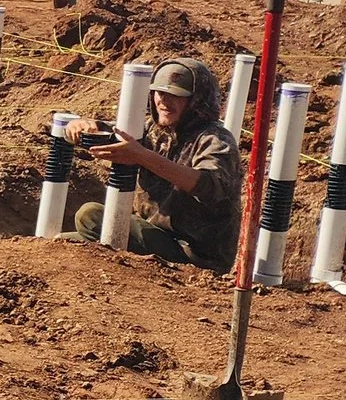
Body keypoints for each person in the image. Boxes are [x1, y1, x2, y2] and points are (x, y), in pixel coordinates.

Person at [70, 59, 244, 265]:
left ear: (197, 101)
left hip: (193, 253)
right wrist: (83, 125)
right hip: (153, 236)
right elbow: (118, 134)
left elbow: (210, 185)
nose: (164, 101)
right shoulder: (154, 130)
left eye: (175, 96)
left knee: (89, 216)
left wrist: (142, 156)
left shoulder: (214, 139)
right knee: (66, 244)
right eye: (160, 93)